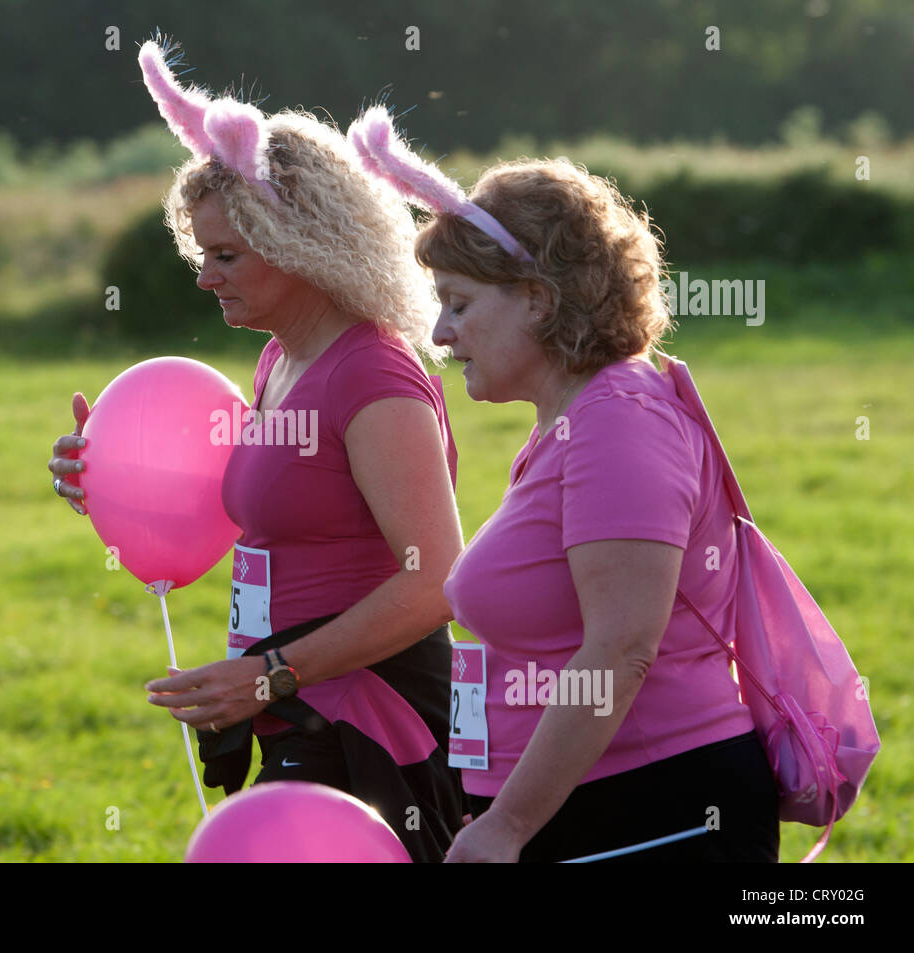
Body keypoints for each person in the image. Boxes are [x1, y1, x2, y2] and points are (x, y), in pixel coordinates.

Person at [48, 40, 465, 861]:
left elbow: (435, 583)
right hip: (300, 702)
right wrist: (105, 473)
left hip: (371, 718)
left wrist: (270, 673)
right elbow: (277, 502)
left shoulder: (374, 375)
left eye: (227, 255)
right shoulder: (281, 358)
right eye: (202, 252)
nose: (206, 277)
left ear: (303, 245)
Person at [350, 107, 779, 862]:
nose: (440, 334)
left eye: (458, 303)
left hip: (653, 812)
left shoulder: (620, 420)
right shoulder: (571, 422)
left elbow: (622, 648)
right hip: (595, 810)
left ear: (538, 300)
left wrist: (506, 825)